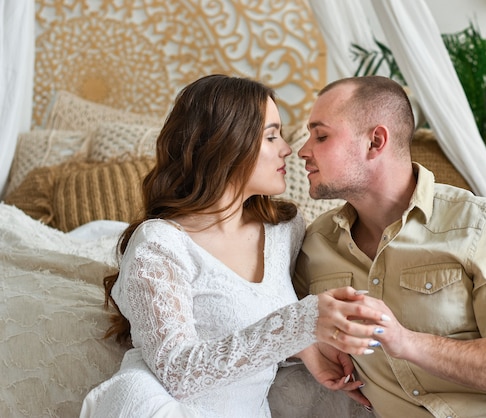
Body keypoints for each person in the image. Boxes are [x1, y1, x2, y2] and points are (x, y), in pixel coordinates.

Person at [293, 75, 486, 418]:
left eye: (321, 136)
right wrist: (308, 347)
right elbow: (262, 320)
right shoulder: (317, 245)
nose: (303, 151)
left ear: (375, 141)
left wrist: (405, 341)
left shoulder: (483, 225)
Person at [80, 74, 389, 418]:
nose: (288, 149)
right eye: (272, 136)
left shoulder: (284, 230)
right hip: (162, 407)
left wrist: (306, 347)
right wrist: (302, 323)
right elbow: (178, 373)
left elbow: (255, 323)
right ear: (226, 144)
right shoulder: (160, 244)